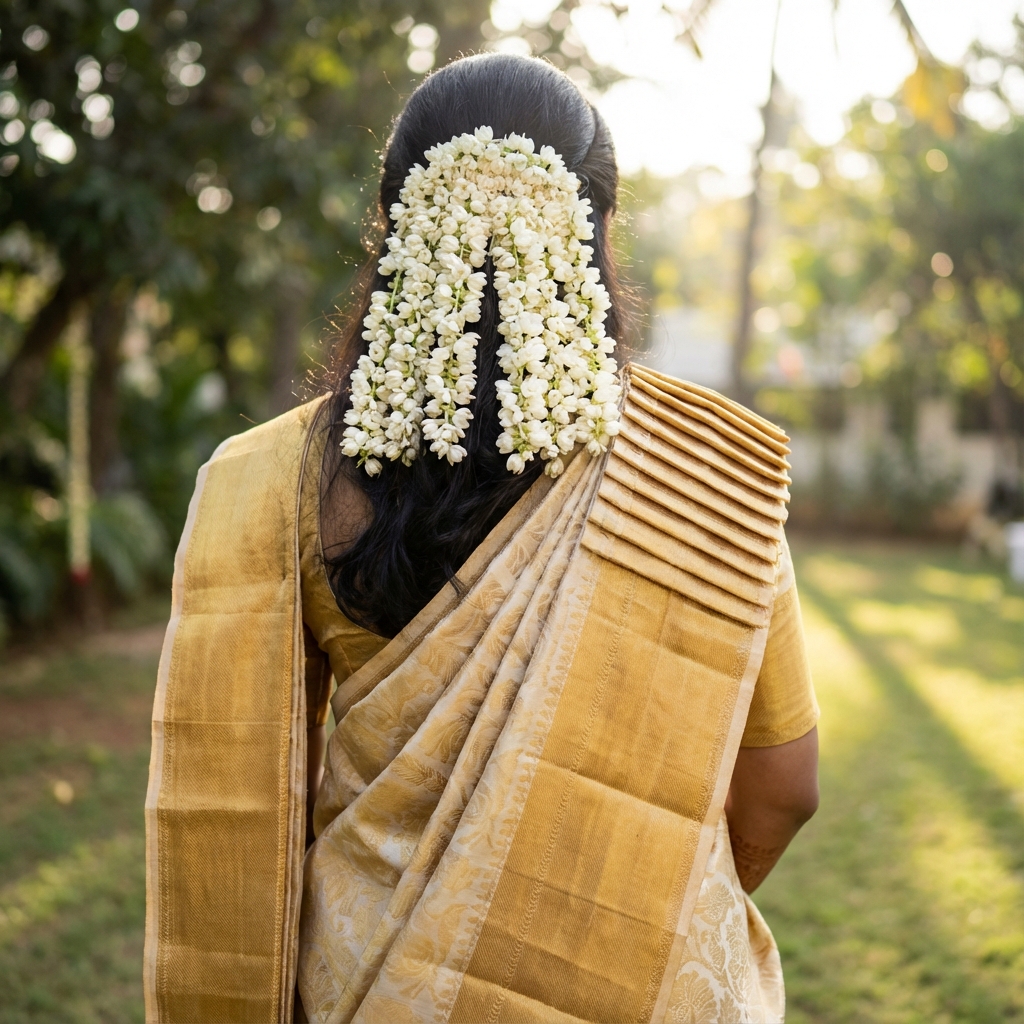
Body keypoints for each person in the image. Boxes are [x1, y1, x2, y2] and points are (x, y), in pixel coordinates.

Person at [144, 53, 818, 1024]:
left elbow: (235, 787)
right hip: (644, 980)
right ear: (596, 231)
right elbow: (783, 784)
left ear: (395, 225)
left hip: (373, 986)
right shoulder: (700, 470)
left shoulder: (274, 476)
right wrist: (649, 885)